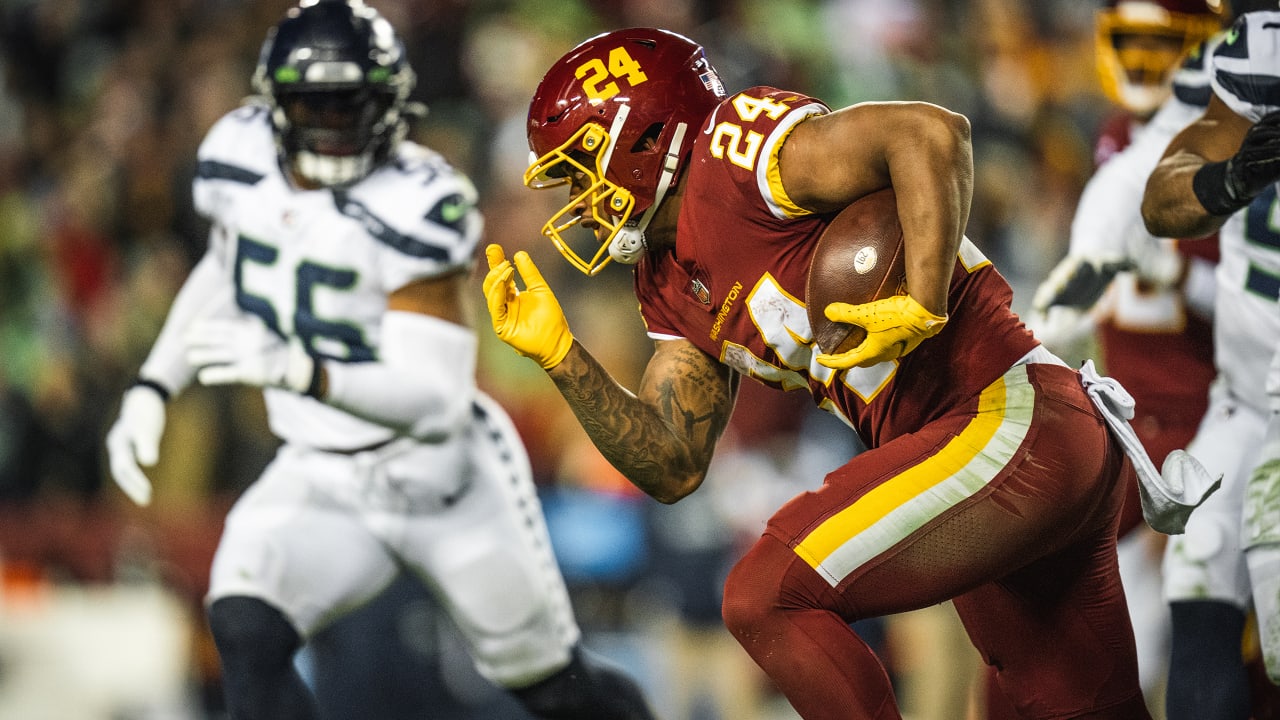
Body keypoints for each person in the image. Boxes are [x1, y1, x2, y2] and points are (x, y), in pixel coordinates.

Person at [482, 26, 1216, 720]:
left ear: (643, 136)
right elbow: (673, 464)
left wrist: (923, 300)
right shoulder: (665, 280)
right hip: (1000, 453)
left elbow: (931, 132)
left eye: (580, 167)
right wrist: (561, 356)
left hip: (1005, 418)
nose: (576, 201)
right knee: (1073, 709)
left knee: (767, 594)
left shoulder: (739, 151)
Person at [103, 3, 656, 719]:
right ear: (274, 106)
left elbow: (433, 398)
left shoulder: (422, 200)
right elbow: (226, 264)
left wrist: (297, 369)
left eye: (350, 106)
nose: (332, 128)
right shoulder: (238, 156)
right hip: (321, 471)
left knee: (555, 688)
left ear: (390, 107)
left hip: (443, 482)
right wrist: (154, 382)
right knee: (244, 625)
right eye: (314, 105)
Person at [1025, 1, 1222, 713]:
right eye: (1130, 42)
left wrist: (1173, 275)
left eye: (1159, 43)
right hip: (1131, 420)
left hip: (1212, 421)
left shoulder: (1234, 146)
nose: (1141, 60)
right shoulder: (1114, 137)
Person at [1142, 8, 1280, 718]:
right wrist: (1230, 179)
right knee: (1195, 579)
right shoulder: (1265, 46)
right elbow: (1162, 199)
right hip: (1245, 404)